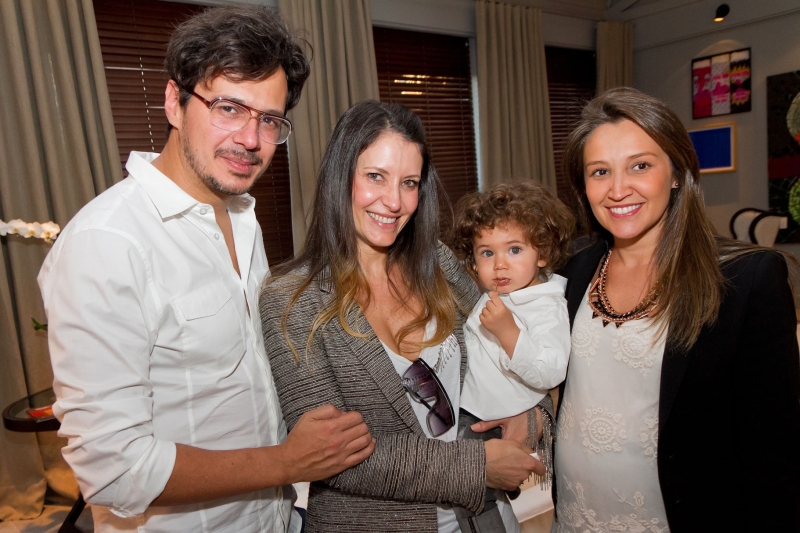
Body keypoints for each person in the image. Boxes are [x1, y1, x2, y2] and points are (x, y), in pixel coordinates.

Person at [37, 7, 374, 533]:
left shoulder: (242, 217)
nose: (250, 139)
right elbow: (114, 469)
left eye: (269, 119)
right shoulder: (107, 243)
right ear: (175, 101)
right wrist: (288, 461)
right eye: (229, 108)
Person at [260, 100, 552, 533]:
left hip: (484, 520)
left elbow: (517, 347)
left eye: (409, 182)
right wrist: (477, 466)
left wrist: (533, 417)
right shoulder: (292, 299)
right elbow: (331, 456)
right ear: (342, 177)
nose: (394, 202)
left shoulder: (439, 264)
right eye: (375, 176)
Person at [552, 87, 800, 532]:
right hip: (576, 515)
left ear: (675, 173)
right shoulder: (573, 268)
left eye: (640, 166)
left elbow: (773, 452)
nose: (618, 189)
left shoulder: (746, 281)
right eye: (600, 171)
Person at [450, 182, 572, 522]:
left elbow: (551, 371)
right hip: (473, 408)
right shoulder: (505, 295)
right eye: (487, 253)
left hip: (494, 420)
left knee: (479, 509)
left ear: (543, 253)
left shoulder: (545, 306)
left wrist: (508, 332)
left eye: (514, 250)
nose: (500, 265)